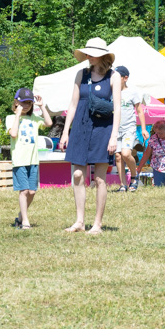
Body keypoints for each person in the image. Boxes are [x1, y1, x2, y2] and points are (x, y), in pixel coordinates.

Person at [59, 37, 121, 235]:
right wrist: (65, 132)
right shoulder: (81, 74)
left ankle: (97, 224)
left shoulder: (114, 76)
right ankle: (79, 221)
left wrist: (113, 137)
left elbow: (118, 109)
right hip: (80, 128)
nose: (88, 56)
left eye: (92, 53)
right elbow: (73, 104)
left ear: (102, 55)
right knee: (77, 175)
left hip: (103, 129)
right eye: (87, 52)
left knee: (100, 179)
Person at [7, 88, 52, 229]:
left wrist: (42, 106)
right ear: (16, 103)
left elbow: (49, 123)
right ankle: (25, 221)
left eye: (29, 103)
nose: (26, 105)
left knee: (32, 191)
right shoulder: (10, 118)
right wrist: (18, 115)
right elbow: (13, 133)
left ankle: (20, 217)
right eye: (23, 102)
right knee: (24, 191)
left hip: (33, 160)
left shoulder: (34, 119)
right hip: (20, 160)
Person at [113, 66, 146, 192]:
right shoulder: (111, 92)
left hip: (129, 128)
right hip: (116, 129)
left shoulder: (132, 93)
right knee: (118, 156)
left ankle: (134, 176)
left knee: (126, 154)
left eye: (117, 77)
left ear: (125, 78)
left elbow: (140, 111)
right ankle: (123, 185)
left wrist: (143, 129)